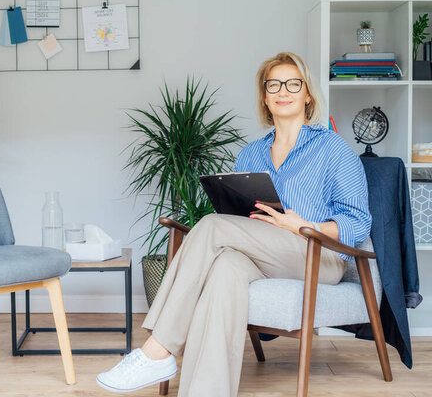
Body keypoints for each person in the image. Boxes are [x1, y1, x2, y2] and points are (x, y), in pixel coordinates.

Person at [96, 52, 372, 396]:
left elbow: (358, 221)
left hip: (317, 254)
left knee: (211, 226)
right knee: (225, 266)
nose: (282, 90)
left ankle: (157, 349)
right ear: (265, 96)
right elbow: (241, 217)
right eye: (273, 84)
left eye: (292, 83)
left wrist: (305, 225)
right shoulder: (251, 154)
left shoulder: (332, 148)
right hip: (260, 252)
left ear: (307, 94)